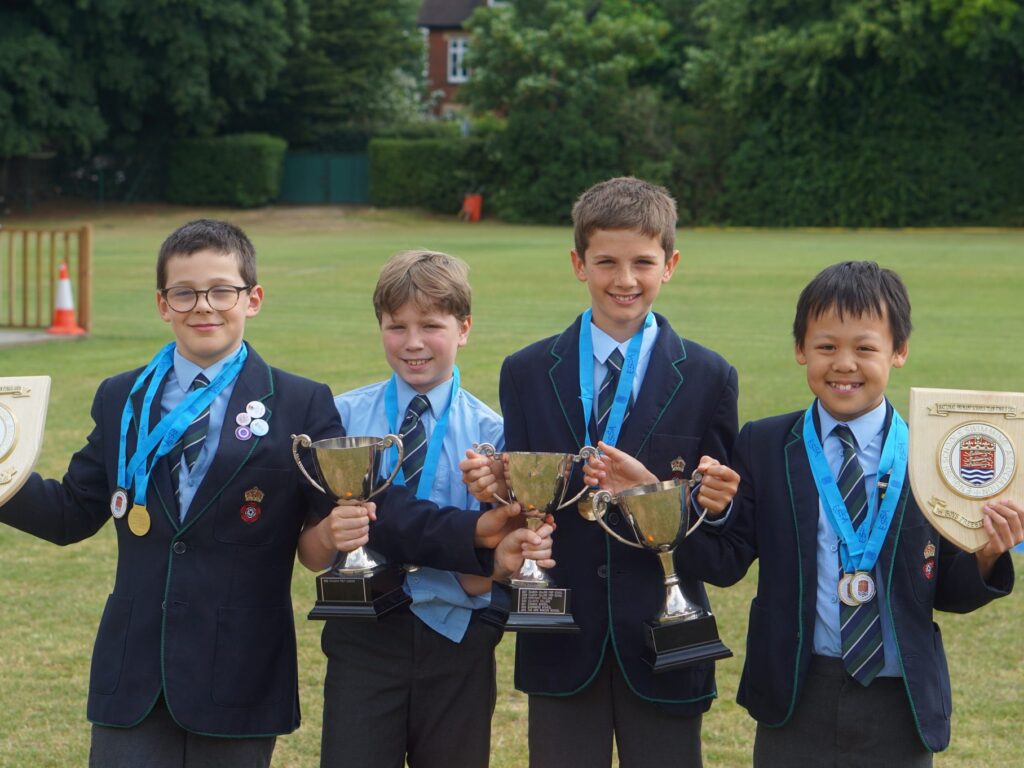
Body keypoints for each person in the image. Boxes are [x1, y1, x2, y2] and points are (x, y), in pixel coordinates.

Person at [0, 220, 517, 768]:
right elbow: (69, 514)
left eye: (222, 290)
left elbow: (371, 509)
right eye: (184, 292)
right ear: (162, 304)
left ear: (253, 299)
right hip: (134, 673)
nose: (204, 306)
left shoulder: (300, 403)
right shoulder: (122, 397)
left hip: (240, 671)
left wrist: (474, 532)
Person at [586, 260, 1021, 766]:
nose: (844, 364)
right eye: (826, 346)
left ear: (898, 352)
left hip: (897, 702)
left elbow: (948, 590)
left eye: (865, 347)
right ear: (800, 350)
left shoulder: (931, 451)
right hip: (794, 693)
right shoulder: (766, 444)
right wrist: (687, 506)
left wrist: (986, 555)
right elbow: (725, 564)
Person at [461, 177, 739, 768]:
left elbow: (721, 541)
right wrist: (499, 489)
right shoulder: (528, 370)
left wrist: (655, 496)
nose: (625, 280)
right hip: (560, 634)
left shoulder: (711, 377)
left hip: (665, 640)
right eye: (606, 261)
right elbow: (527, 497)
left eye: (643, 262)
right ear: (577, 263)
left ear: (671, 264)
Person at [297, 249, 552, 768]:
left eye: (431, 325)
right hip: (361, 636)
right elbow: (310, 553)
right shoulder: (339, 420)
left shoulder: (495, 437)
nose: (413, 343)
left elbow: (511, 560)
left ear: (464, 328)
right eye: (396, 326)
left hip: (458, 638)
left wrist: (500, 514)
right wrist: (331, 530)